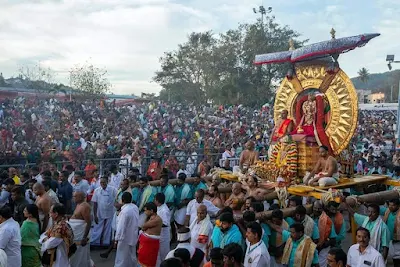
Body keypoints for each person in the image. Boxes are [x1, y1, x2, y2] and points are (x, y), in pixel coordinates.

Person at [114, 192, 139, 267]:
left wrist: (116, 239)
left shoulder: (124, 211)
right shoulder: (135, 207)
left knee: (121, 257)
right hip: (133, 235)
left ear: (122, 200)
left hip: (124, 238)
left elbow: (121, 227)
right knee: (131, 256)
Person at [91, 177, 117, 247]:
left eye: (104, 182)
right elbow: (95, 203)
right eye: (101, 183)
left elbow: (117, 199)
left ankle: (105, 243)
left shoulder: (113, 189)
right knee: (97, 228)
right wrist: (95, 215)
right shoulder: (97, 190)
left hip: (110, 212)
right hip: (99, 212)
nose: (102, 184)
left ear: (107, 182)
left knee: (108, 229)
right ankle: (95, 242)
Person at [69, 191, 92, 267]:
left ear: (81, 197)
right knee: (75, 256)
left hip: (81, 235)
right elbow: (76, 217)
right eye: (73, 196)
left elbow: (88, 222)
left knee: (80, 255)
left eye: (75, 196)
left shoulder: (85, 206)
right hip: (75, 234)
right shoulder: (78, 204)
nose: (73, 198)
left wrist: (84, 237)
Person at [138, 202, 163, 267]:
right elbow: (143, 227)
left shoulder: (157, 219)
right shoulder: (150, 218)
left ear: (151, 211)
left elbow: (144, 226)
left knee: (149, 261)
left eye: (146, 210)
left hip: (151, 245)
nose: (145, 212)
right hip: (145, 244)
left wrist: (144, 227)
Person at [381, 198, 400, 264]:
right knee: (391, 256)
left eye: (393, 205)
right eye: (389, 205)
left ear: (398, 206)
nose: (390, 207)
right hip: (389, 238)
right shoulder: (387, 211)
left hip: (398, 240)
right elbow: (377, 209)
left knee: (397, 258)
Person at [155, 193, 171, 264]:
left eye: (155, 199)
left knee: (164, 255)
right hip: (159, 234)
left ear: (157, 201)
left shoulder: (164, 210)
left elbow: (165, 223)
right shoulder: (159, 207)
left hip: (164, 236)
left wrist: (154, 223)